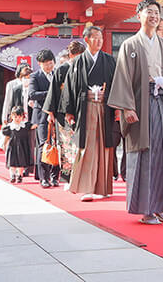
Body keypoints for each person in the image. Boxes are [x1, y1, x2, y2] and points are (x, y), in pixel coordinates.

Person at [108, 0, 163, 225]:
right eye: (149, 12)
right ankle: (146, 208)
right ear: (139, 16)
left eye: (156, 13)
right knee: (145, 155)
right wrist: (127, 108)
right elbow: (123, 78)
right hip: (141, 106)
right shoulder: (130, 45)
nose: (154, 16)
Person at [61, 25, 118, 201]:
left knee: (105, 148)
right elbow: (70, 87)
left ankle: (102, 187)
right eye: (95, 37)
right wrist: (69, 111)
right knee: (87, 147)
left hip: (105, 107)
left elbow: (117, 84)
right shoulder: (78, 62)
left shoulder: (109, 60)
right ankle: (86, 187)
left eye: (101, 37)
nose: (99, 41)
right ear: (86, 40)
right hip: (85, 108)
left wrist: (116, 107)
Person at [45, 41, 85, 183]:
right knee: (66, 146)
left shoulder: (85, 68)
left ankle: (81, 177)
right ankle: (68, 178)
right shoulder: (61, 70)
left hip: (81, 112)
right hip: (63, 114)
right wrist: (50, 114)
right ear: (71, 55)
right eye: (77, 56)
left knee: (81, 145)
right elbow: (53, 93)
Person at [29, 49, 60, 187]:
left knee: (58, 145)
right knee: (43, 145)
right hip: (42, 115)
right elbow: (32, 94)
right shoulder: (35, 76)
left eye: (51, 63)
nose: (49, 66)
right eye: (45, 64)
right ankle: (44, 178)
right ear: (39, 64)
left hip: (58, 115)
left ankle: (55, 176)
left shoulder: (58, 74)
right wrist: (52, 92)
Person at [0, 64, 32, 153]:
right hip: (16, 114)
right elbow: (8, 101)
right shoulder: (12, 84)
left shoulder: (31, 84)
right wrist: (5, 117)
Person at [1, 106, 32, 183]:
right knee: (12, 162)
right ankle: (12, 175)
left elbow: (34, 126)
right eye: (15, 117)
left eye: (19, 116)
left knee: (21, 162)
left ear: (22, 117)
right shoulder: (10, 127)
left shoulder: (25, 126)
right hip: (12, 147)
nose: (17, 118)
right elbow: (7, 137)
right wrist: (4, 145)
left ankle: (20, 175)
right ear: (12, 116)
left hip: (22, 147)